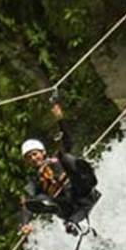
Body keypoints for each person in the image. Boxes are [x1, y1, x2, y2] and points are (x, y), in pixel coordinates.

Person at [17, 101, 100, 238]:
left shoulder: (57, 160)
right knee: (35, 199)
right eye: (29, 157)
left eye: (35, 153)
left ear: (42, 152)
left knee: (66, 157)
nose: (33, 158)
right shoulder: (35, 180)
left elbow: (67, 141)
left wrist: (60, 119)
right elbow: (27, 204)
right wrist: (25, 223)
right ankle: (55, 209)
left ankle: (87, 176)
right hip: (68, 208)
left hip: (81, 193)